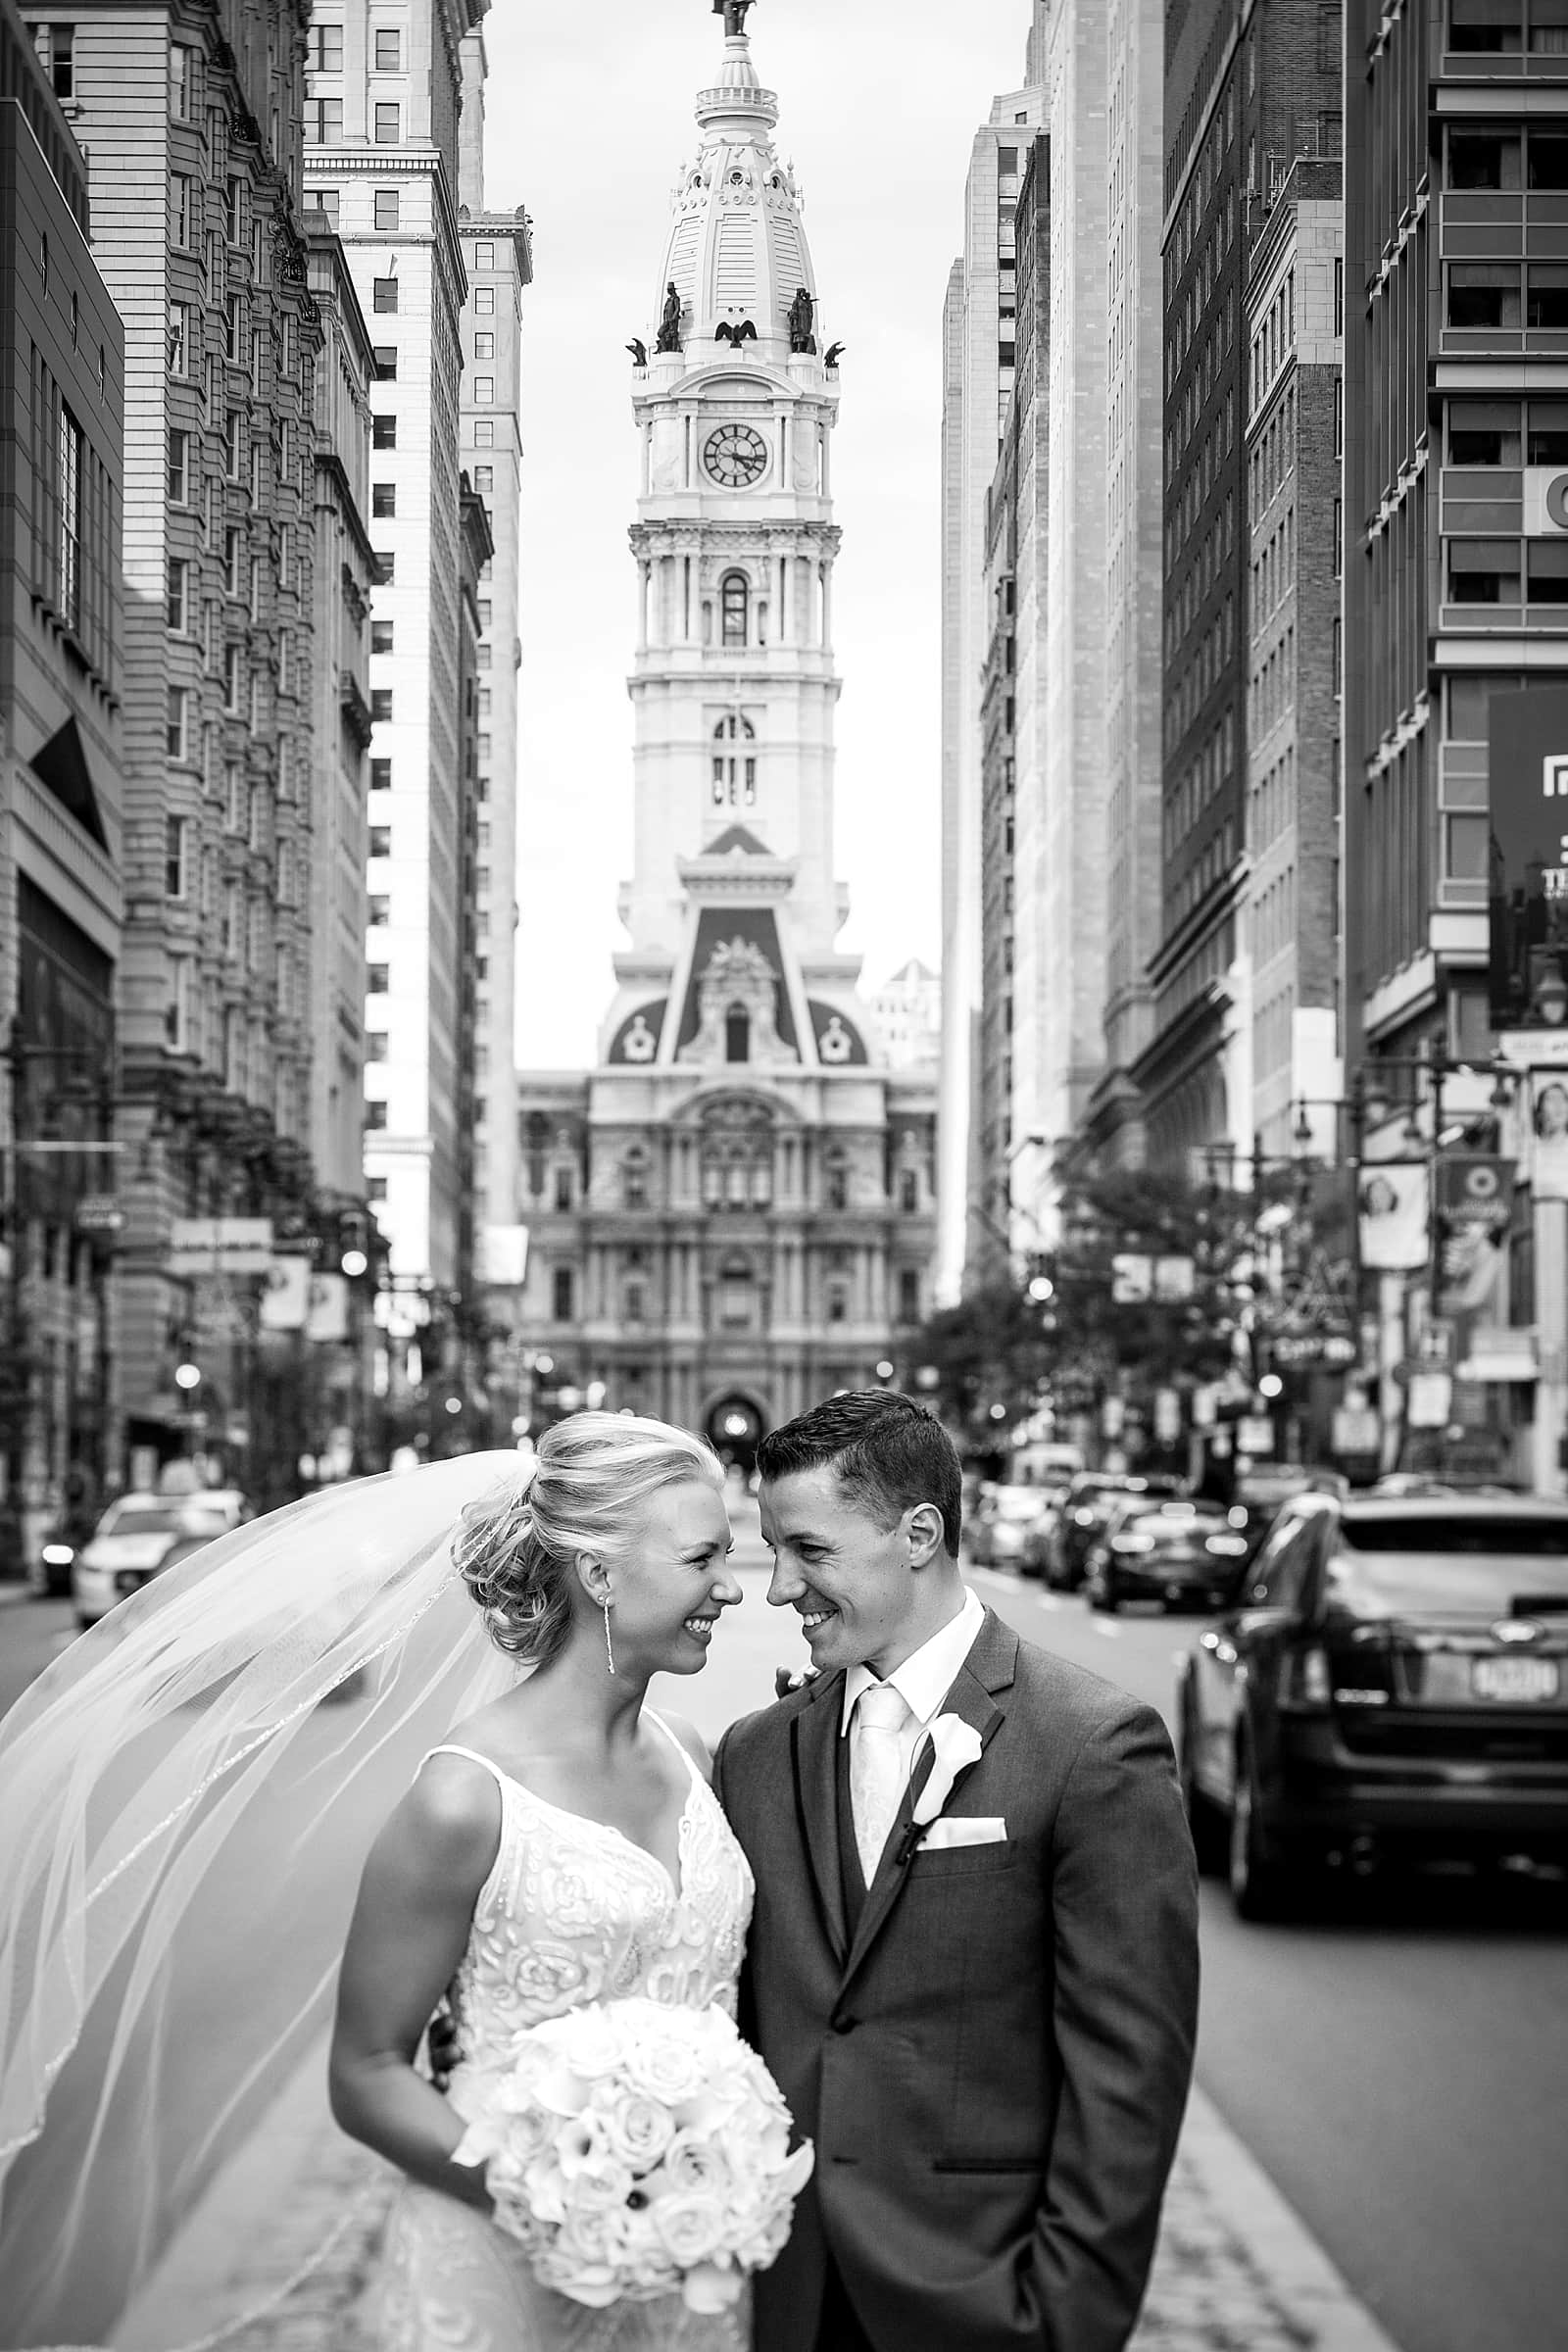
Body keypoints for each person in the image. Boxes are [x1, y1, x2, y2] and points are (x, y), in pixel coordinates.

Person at [0, 1415, 753, 2352]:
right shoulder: (463, 1799)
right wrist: (560, 2195)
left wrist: (711, 2168)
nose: (729, 1586)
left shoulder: (698, 1756)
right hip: (510, 2268)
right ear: (598, 1574)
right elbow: (364, 2073)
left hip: (692, 2269)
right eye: (702, 1559)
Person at [714, 1391, 1200, 2352]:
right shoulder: (753, 1755)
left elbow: (1128, 2080)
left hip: (982, 2298)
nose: (778, 1588)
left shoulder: (1091, 1746)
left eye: (807, 1551)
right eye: (771, 1550)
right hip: (785, 2298)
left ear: (919, 1534)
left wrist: (1063, 2322)